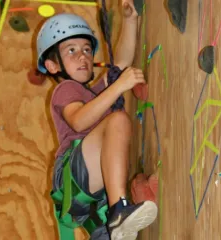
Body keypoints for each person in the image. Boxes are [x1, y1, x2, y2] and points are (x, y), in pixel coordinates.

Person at [36, 1, 158, 239]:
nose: (82, 56)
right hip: (73, 175)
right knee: (118, 121)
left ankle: (115, 219)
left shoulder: (94, 94)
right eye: (71, 50)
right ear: (52, 65)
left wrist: (130, 20)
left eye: (86, 50)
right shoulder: (66, 90)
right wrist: (119, 86)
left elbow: (120, 64)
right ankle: (118, 211)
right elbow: (79, 121)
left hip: (90, 192)